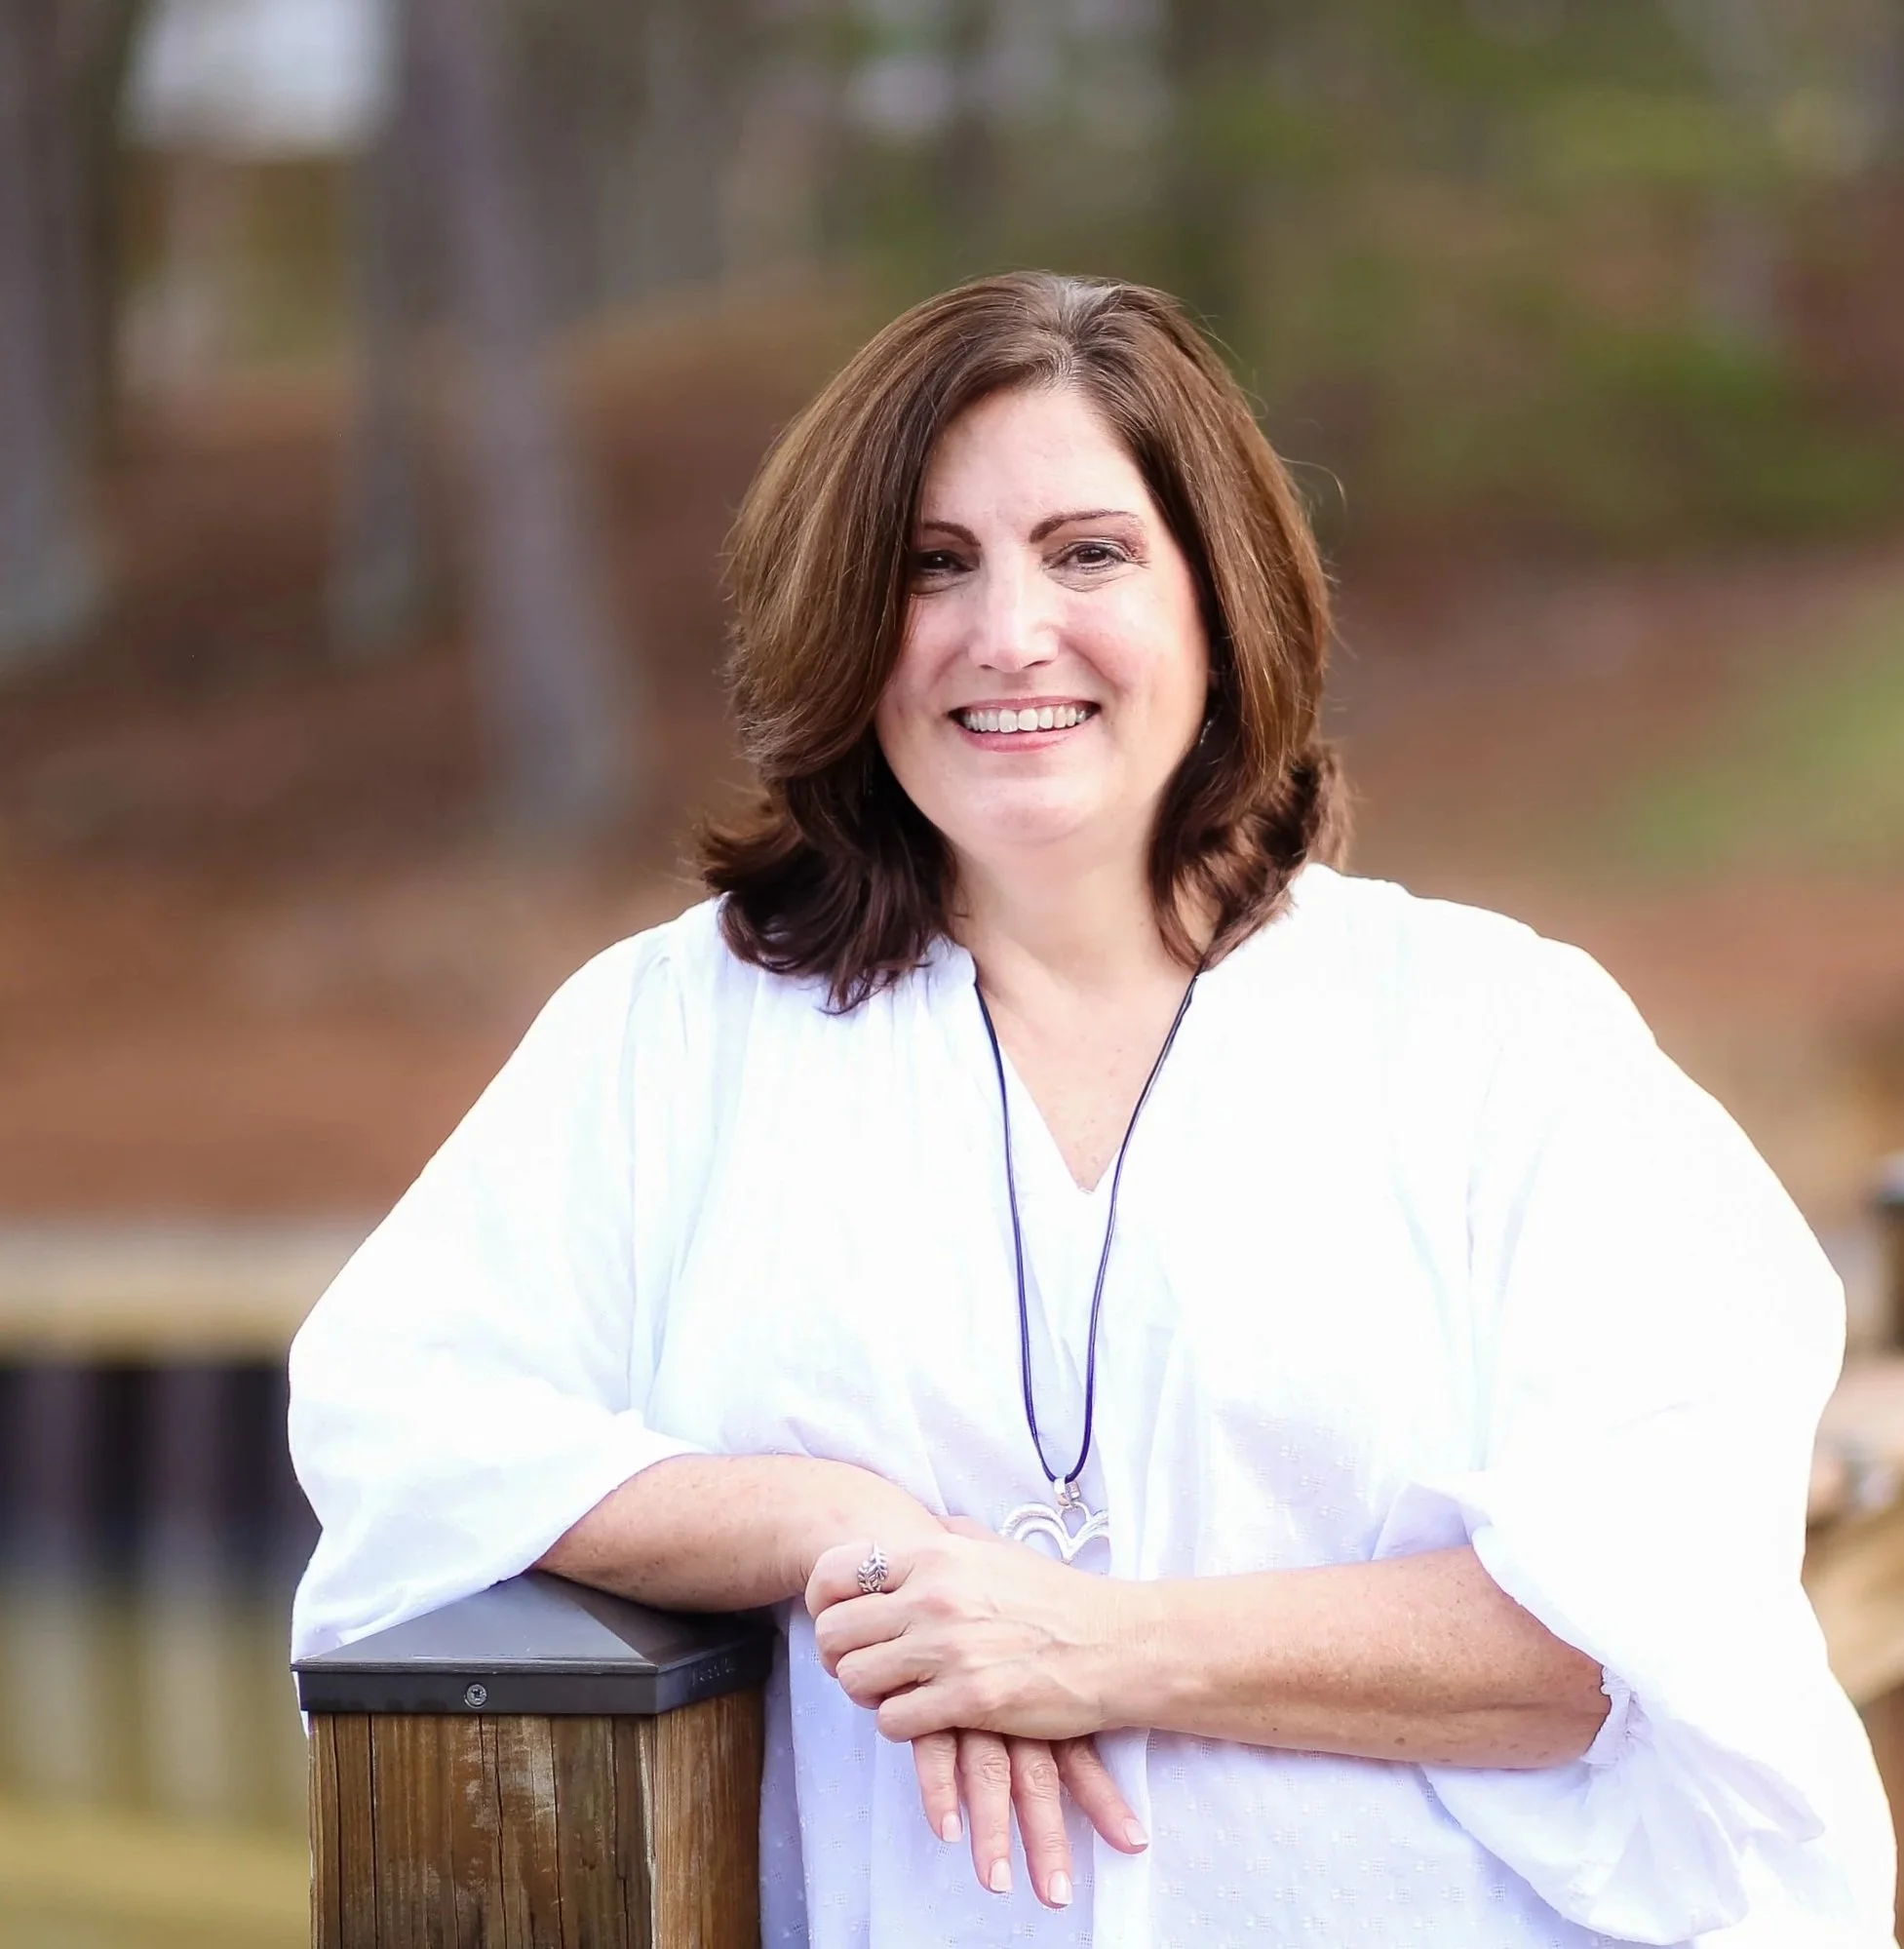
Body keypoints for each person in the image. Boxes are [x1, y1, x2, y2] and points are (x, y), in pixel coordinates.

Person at [289, 270, 1893, 1947]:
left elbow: (1636, 1626)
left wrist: (1101, 1644)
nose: (1009, 632)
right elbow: (405, 1418)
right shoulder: (674, 1035)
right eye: (932, 564)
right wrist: (834, 1524)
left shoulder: (1496, 1040)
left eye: (1089, 551)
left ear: (1221, 597)